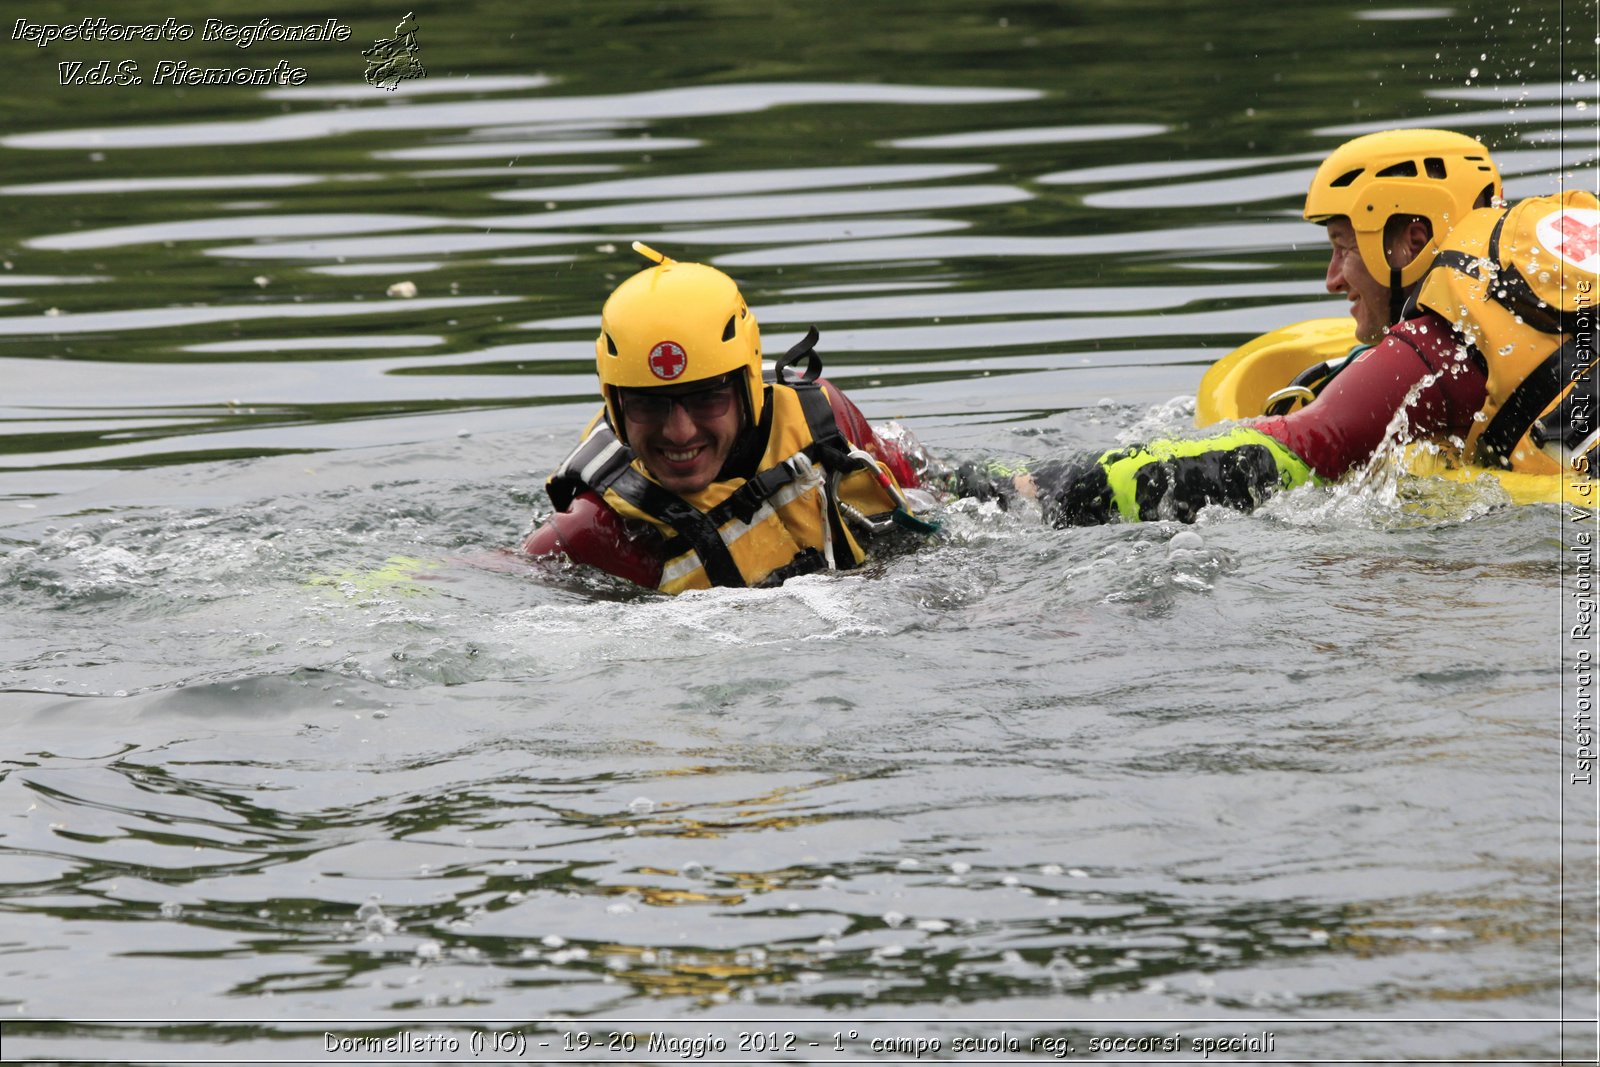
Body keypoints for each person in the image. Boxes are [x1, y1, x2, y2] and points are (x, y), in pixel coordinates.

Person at [961, 127, 1596, 524]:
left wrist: (1034, 491)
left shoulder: (1435, 352)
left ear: (1413, 237)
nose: (1331, 279)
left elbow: (1283, 456)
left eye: (1344, 246)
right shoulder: (1549, 263)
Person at [523, 243, 932, 593]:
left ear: (747, 387)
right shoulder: (596, 533)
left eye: (706, 400)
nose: (679, 433)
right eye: (648, 405)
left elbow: (929, 506)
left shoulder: (827, 424)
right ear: (614, 404)